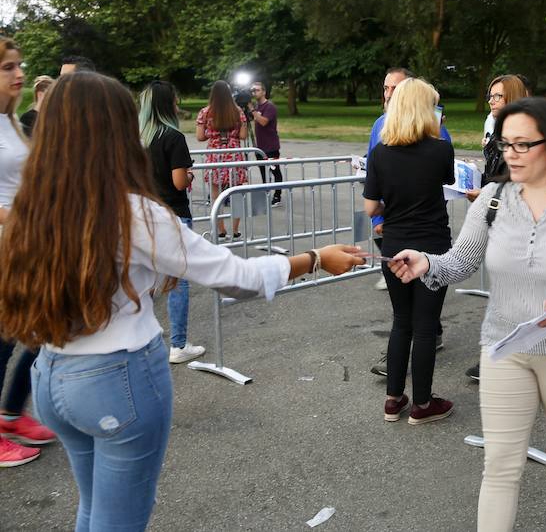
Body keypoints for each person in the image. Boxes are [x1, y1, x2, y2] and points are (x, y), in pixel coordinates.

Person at [0, 71, 364, 530]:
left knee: (94, 508)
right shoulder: (131, 212)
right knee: (117, 519)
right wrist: (312, 257)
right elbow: (236, 277)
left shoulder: (32, 204)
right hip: (116, 379)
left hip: (52, 377)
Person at [390, 97, 546, 531]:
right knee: (500, 464)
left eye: (523, 144)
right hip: (506, 349)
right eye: (506, 144)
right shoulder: (493, 200)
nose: (510, 154)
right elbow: (461, 261)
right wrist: (427, 263)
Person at [363, 78, 455, 425]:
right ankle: (422, 402)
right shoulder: (440, 149)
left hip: (394, 244)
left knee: (401, 321)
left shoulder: (380, 152)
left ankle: (393, 398)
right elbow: (448, 181)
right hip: (432, 244)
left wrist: (395, 199)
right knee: (426, 324)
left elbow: (372, 207)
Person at [0, 37, 56, 468]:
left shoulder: (12, 122)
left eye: (18, 65)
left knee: (39, 331)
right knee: (2, 341)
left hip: (27, 244)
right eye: (7, 67)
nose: (19, 74)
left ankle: (11, 414)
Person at [461, 73, 528, 383]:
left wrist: (487, 192)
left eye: (498, 96)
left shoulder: (523, 134)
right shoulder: (496, 128)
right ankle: (503, 356)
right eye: (490, 96)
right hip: (496, 211)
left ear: (512, 98)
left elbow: (515, 179)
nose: (491, 101)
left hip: (515, 218)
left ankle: (509, 358)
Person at [139, 80, 206, 364]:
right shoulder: (173, 137)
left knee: (145, 280)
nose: (179, 106)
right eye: (176, 101)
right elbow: (179, 182)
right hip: (173, 214)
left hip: (144, 213)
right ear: (168, 105)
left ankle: (142, 338)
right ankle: (178, 344)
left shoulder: (138, 138)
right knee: (177, 282)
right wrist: (190, 176)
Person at [196, 80, 248, 240]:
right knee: (237, 193)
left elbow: (200, 137)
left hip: (215, 155)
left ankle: (220, 229)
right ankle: (236, 229)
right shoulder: (238, 111)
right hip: (234, 154)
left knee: (215, 194)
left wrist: (213, 134)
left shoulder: (205, 112)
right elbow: (243, 136)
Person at [249, 81, 282, 206]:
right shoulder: (257, 107)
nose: (254, 92)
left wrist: (252, 110)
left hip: (271, 145)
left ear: (263, 91)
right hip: (260, 145)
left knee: (275, 170)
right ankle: (266, 191)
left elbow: (263, 122)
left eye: (257, 90)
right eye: (253, 90)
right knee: (263, 171)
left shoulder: (269, 106)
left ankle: (277, 195)